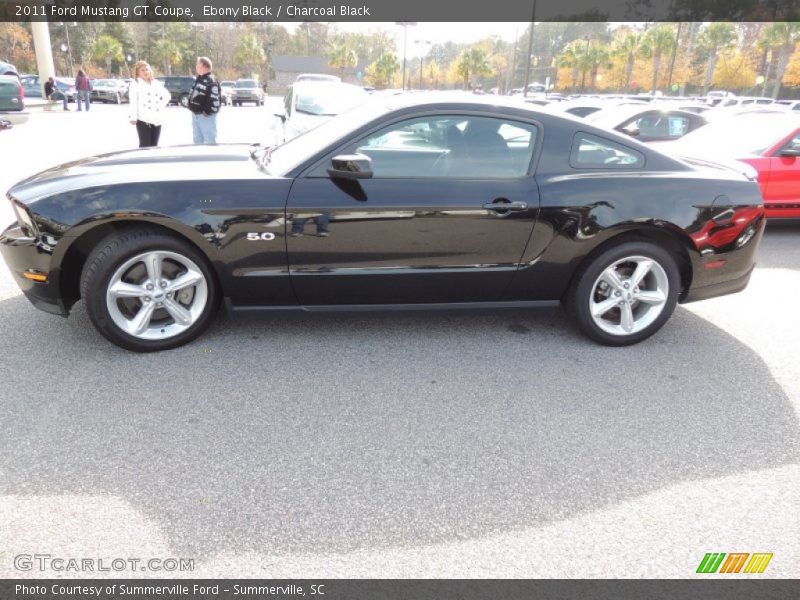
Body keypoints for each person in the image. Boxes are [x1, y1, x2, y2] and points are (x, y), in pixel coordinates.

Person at [127, 61, 171, 148]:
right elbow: (133, 101)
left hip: (157, 119)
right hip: (143, 119)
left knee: (154, 145)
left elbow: (167, 96)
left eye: (147, 69)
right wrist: (133, 117)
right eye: (142, 70)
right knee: (145, 145)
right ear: (138, 72)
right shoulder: (135, 84)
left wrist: (160, 106)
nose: (146, 72)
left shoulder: (156, 83)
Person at [187, 56, 220, 144]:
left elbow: (214, 99)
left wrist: (207, 112)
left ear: (203, 65)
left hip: (205, 116)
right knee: (197, 141)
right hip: (195, 115)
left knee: (210, 140)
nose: (196, 66)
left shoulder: (211, 80)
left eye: (197, 64)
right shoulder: (199, 78)